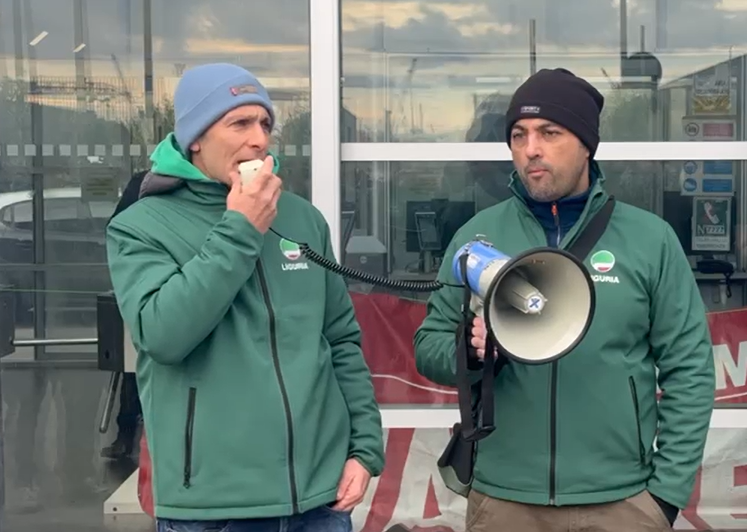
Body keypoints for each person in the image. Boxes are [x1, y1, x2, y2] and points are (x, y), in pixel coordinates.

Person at [413, 68, 715, 531]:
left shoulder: (649, 240)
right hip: (505, 499)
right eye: (519, 135)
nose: (531, 148)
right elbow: (428, 349)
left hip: (622, 501)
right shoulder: (478, 239)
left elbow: (690, 369)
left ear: (587, 144)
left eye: (549, 132)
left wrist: (665, 495)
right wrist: (473, 351)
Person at [105, 63, 385, 532]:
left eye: (265, 124)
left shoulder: (302, 219)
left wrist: (364, 448)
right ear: (195, 137)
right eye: (239, 123)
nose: (259, 140)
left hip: (319, 500)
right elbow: (163, 335)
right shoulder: (141, 226)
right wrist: (240, 228)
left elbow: (340, 340)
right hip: (214, 508)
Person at [101, 170, 147, 461]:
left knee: (134, 370)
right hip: (144, 289)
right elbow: (116, 228)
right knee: (133, 369)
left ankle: (126, 437)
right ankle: (126, 435)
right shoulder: (145, 183)